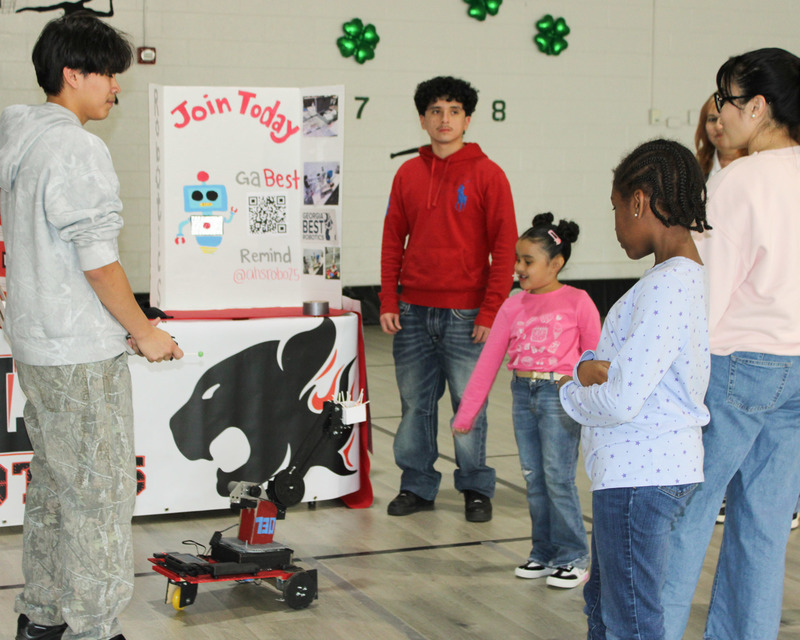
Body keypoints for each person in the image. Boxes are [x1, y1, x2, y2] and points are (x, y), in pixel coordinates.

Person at [0, 12, 183, 640]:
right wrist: (145, 331)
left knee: (53, 490)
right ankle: (94, 630)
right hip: (78, 352)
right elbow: (99, 262)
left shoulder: (18, 131)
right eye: (107, 75)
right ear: (73, 74)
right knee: (100, 500)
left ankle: (43, 618)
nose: (116, 88)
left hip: (37, 345)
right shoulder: (75, 146)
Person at [661, 48, 800, 640]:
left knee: (681, 516)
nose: (720, 112)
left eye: (726, 98)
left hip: (736, 364)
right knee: (764, 529)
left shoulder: (738, 180)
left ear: (758, 106)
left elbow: (704, 290)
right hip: (796, 366)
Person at [559, 139, 712, 639]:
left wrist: (572, 390)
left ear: (640, 202)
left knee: (631, 621)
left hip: (641, 474)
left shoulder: (671, 284)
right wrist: (592, 369)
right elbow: (617, 375)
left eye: (616, 209)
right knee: (605, 605)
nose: (616, 223)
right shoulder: (668, 280)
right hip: (632, 472)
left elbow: (622, 396)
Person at [380, 75, 517, 522]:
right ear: (422, 119)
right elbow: (390, 241)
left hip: (467, 314)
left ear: (467, 119)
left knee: (468, 406)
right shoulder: (407, 174)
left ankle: (475, 488)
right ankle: (417, 486)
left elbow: (505, 247)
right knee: (415, 405)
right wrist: (387, 299)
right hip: (412, 312)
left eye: (454, 111)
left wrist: (492, 310)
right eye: (436, 111)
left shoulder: (488, 175)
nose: (445, 119)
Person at [452, 213, 600, 587]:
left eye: (527, 261)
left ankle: (574, 555)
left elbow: (596, 358)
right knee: (534, 478)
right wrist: (467, 411)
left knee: (557, 477)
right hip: (523, 393)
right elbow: (488, 361)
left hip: (558, 396)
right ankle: (544, 552)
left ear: (556, 263)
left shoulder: (578, 302)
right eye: (517, 260)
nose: (518, 268)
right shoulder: (512, 305)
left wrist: (594, 408)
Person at [695, 93, 748, 180]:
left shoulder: (760, 163)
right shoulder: (696, 169)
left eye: (724, 119)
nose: (718, 126)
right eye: (712, 119)